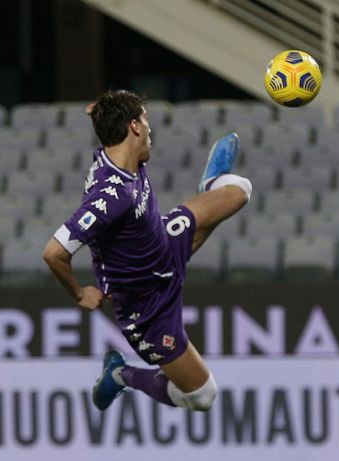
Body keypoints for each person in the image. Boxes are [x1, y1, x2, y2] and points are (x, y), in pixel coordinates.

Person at [42, 90, 251, 412]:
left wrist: (100, 108)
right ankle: (121, 374)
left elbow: (110, 116)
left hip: (164, 244)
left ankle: (211, 182)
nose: (150, 130)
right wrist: (79, 294)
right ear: (134, 127)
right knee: (202, 396)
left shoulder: (126, 157)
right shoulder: (111, 196)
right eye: (146, 120)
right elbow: (54, 252)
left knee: (238, 191)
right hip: (147, 304)